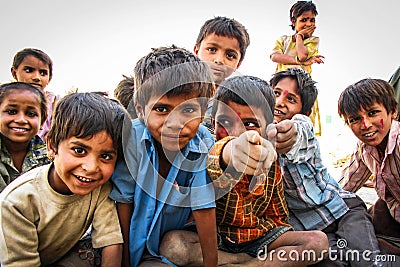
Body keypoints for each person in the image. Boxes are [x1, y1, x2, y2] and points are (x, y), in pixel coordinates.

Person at [160, 75, 328, 266]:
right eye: (225, 122)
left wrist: (277, 238)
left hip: (259, 238)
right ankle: (241, 260)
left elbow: (277, 214)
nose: (236, 133)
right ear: (212, 124)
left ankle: (252, 264)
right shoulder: (209, 152)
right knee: (173, 245)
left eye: (249, 124)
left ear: (267, 127)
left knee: (318, 242)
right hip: (216, 239)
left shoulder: (271, 161)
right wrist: (229, 153)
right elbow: (218, 159)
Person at [109, 45, 217, 267]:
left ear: (204, 111)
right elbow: (124, 205)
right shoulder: (131, 141)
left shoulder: (204, 142)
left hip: (171, 246)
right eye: (161, 109)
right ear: (140, 109)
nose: (175, 124)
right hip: (129, 248)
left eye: (188, 111)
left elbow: (203, 207)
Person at [271, 68, 384, 266]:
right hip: (311, 228)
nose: (280, 102)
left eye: (291, 99)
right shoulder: (254, 136)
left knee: (367, 262)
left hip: (345, 212)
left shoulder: (302, 128)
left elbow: (299, 131)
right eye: (276, 93)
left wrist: (289, 133)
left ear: (304, 111)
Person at [0, 92, 126, 266]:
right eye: (79, 150)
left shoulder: (99, 188)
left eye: (105, 156)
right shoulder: (17, 202)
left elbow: (111, 242)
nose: (91, 167)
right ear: (51, 146)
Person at [338, 78, 400, 256]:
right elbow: (344, 186)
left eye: (373, 113)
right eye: (355, 119)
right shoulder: (365, 148)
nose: (365, 125)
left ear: (393, 111)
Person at [270, 1, 324, 136]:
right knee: (275, 114)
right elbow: (274, 56)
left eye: (312, 20)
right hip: (282, 84)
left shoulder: (313, 41)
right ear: (293, 22)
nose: (309, 24)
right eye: (303, 20)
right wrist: (297, 61)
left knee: (299, 122)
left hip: (301, 88)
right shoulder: (284, 40)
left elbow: (303, 55)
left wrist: (299, 36)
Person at [194, 16, 250, 133]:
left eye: (230, 55)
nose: (219, 60)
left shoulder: (235, 102)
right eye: (212, 49)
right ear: (196, 51)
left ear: (238, 64)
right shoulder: (179, 90)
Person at [0, 82, 50, 192]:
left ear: (42, 120)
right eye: (12, 111)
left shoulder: (50, 156)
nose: (21, 120)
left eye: (31, 114)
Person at [11, 47, 60, 140]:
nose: (37, 77)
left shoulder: (55, 103)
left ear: (49, 78)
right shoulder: (4, 99)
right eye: (29, 70)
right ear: (14, 73)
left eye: (43, 73)